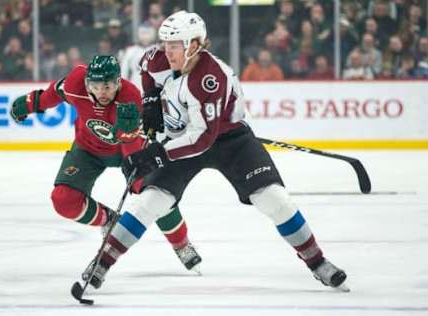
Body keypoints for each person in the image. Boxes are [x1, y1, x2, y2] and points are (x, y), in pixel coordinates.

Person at [88, 11, 348, 291]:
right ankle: (101, 264)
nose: (167, 50)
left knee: (274, 199)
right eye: (165, 43)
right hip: (182, 137)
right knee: (150, 202)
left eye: (174, 45)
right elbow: (146, 67)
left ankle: (317, 262)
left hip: (230, 141)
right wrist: (151, 96)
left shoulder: (210, 78)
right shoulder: (160, 57)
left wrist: (154, 154)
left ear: (194, 45)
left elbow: (201, 139)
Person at [9, 55, 202, 288]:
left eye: (108, 86)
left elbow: (130, 146)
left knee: (152, 193)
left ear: (118, 83)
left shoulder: (130, 98)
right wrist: (29, 104)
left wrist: (130, 143)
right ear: (87, 82)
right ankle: (109, 220)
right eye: (96, 86)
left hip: (125, 152)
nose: (101, 92)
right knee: (63, 200)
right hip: (87, 149)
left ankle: (181, 243)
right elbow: (52, 94)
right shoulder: (75, 82)